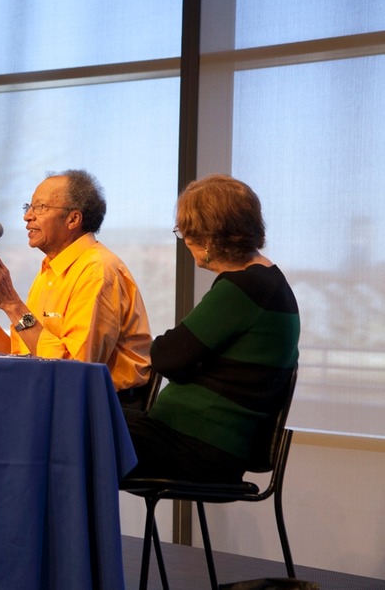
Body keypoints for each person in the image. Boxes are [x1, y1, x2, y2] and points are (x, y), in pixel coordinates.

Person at [126, 174, 300, 483]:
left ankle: (73, 532)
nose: (186, 241)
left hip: (195, 447)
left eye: (186, 232)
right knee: (85, 426)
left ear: (208, 237)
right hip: (198, 443)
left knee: (77, 427)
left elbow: (167, 357)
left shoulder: (245, 287)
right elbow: (184, 358)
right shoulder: (267, 280)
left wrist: (190, 364)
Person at [0, 169, 152, 395]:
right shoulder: (50, 270)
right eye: (29, 207)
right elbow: (22, 356)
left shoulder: (97, 271)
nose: (27, 216)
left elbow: (75, 370)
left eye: (41, 207)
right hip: (54, 396)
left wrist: (12, 304)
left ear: (73, 219)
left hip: (104, 409)